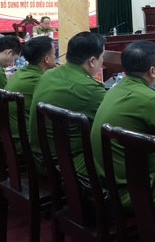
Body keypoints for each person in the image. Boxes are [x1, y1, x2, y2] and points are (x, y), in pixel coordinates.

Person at [91, 41, 155, 215]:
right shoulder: (148, 100)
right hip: (138, 192)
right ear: (152, 71)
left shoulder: (115, 88)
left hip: (107, 186)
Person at [29, 32, 106, 174]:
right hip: (66, 166)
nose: (103, 62)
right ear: (92, 61)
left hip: (38, 158)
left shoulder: (48, 75)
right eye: (102, 57)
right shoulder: (90, 90)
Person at [5, 36, 57, 145]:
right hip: (23, 141)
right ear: (47, 59)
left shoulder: (22, 72)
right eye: (54, 54)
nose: (55, 57)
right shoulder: (39, 80)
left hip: (9, 135)